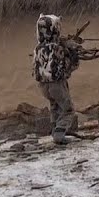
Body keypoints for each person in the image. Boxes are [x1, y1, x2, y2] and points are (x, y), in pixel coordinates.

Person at [32, 14, 81, 144]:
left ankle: (55, 129)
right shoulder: (58, 48)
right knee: (68, 109)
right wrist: (74, 54)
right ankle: (59, 134)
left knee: (54, 105)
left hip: (43, 86)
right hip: (57, 84)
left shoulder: (38, 48)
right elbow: (69, 66)